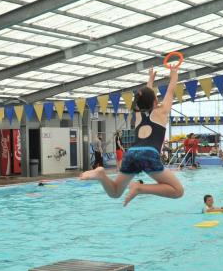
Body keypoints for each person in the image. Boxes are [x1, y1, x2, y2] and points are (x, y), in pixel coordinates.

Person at [79, 66, 184, 206]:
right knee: (178, 191)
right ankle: (140, 187)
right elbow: (171, 90)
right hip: (148, 154)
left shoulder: (138, 114)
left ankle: (101, 175)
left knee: (115, 192)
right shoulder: (162, 112)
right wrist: (174, 74)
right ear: (155, 102)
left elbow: (145, 97)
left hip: (131, 153)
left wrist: (150, 80)